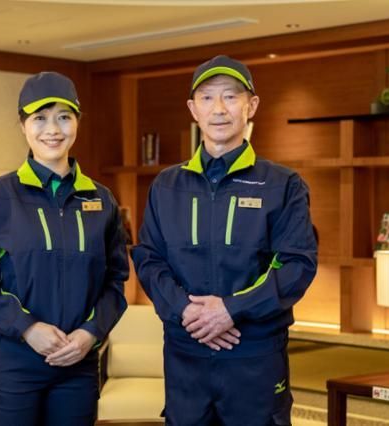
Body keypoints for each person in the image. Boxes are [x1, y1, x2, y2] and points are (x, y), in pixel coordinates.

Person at [131, 55, 318, 425]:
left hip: (254, 355)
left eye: (231, 97)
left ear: (252, 106)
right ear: (193, 109)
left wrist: (232, 309)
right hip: (186, 354)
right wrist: (186, 310)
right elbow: (150, 259)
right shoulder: (166, 185)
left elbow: (296, 265)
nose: (219, 109)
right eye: (207, 98)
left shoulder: (283, 185)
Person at [0, 71, 129, 426]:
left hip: (77, 367)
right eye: (40, 118)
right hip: (11, 366)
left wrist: (91, 333)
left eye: (64, 117)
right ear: (23, 126)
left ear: (77, 123)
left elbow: (115, 283)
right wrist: (28, 327)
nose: (53, 129)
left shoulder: (102, 200)